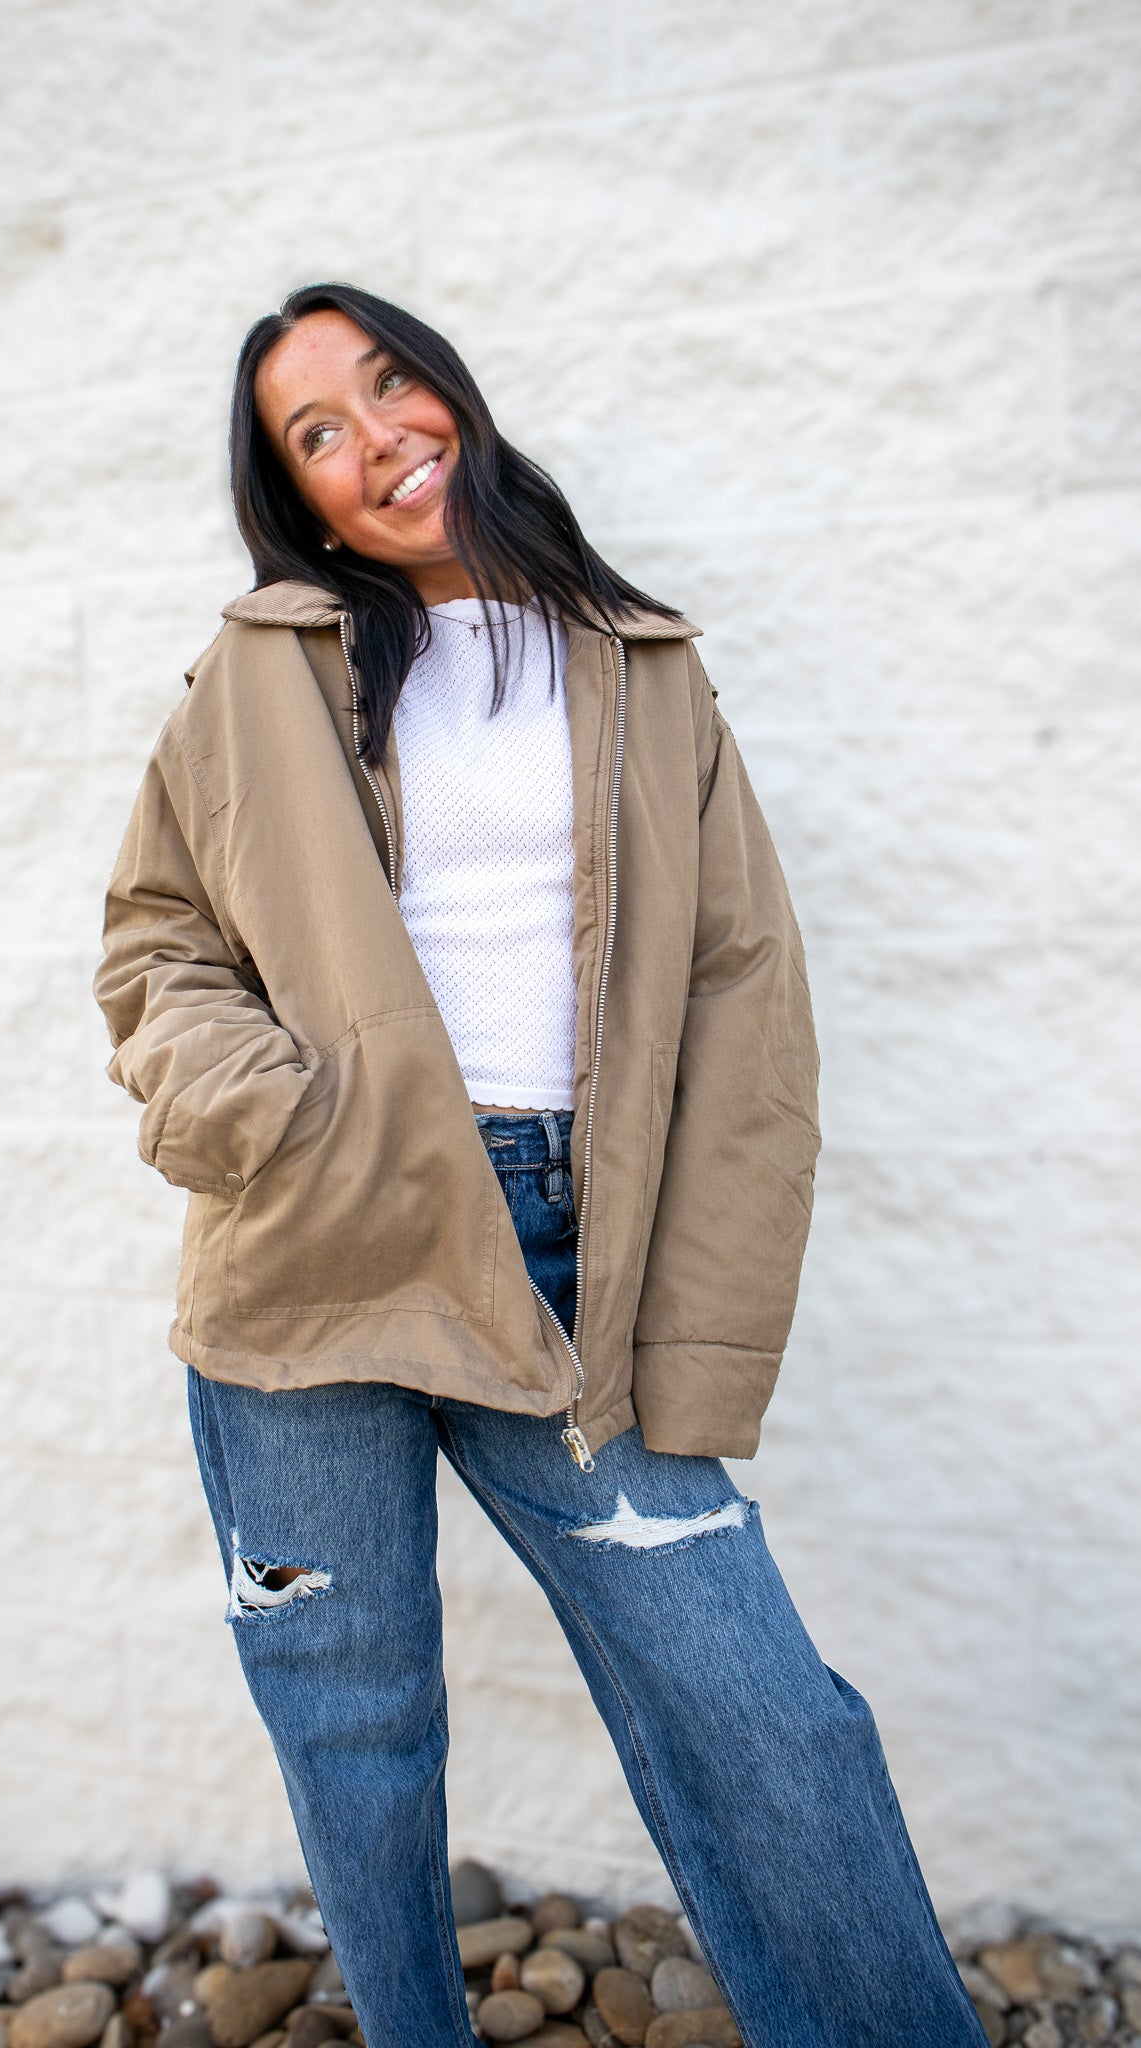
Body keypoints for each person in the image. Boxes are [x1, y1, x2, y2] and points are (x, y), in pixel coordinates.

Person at [94, 283, 986, 2048]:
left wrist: (704, 1329)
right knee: (354, 1724)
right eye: (315, 435)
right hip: (310, 1256)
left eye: (387, 385)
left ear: (450, 388)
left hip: (574, 1252)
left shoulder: (636, 661)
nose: (375, 443)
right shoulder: (260, 667)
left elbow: (744, 993)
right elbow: (157, 940)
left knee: (764, 1715)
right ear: (295, 491)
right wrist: (266, 1106)